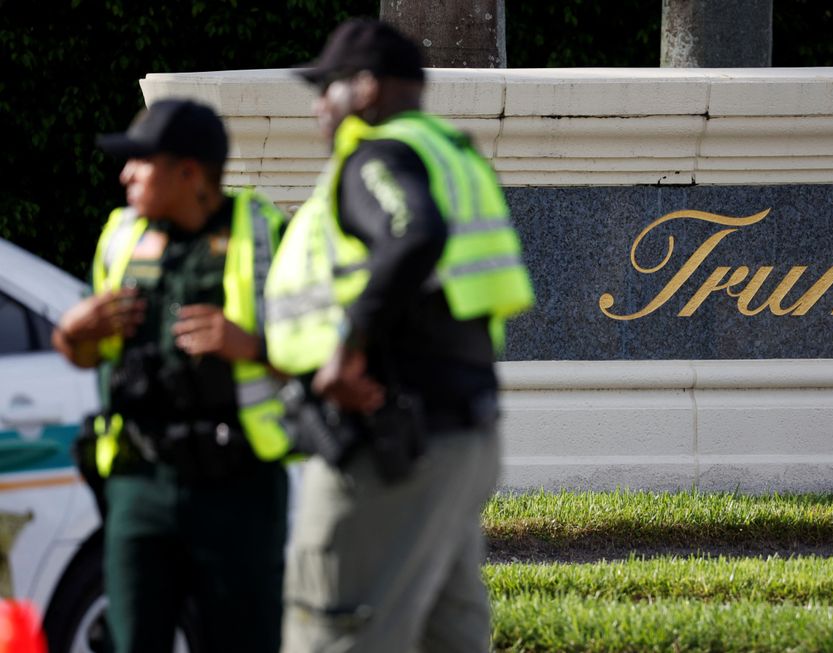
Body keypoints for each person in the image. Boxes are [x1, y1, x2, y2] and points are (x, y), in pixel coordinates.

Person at [263, 17, 536, 653]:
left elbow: (412, 233)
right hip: (462, 436)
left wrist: (348, 345)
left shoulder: (377, 154)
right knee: (451, 635)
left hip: (390, 442)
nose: (316, 110)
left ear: (363, 90)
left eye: (324, 89)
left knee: (333, 628)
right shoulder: (449, 151)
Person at [52, 98, 291, 653]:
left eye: (141, 161)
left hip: (239, 485)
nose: (125, 174)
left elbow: (317, 349)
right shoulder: (120, 237)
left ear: (188, 173)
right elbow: (89, 356)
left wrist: (246, 345)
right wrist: (72, 331)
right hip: (141, 481)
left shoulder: (260, 232)